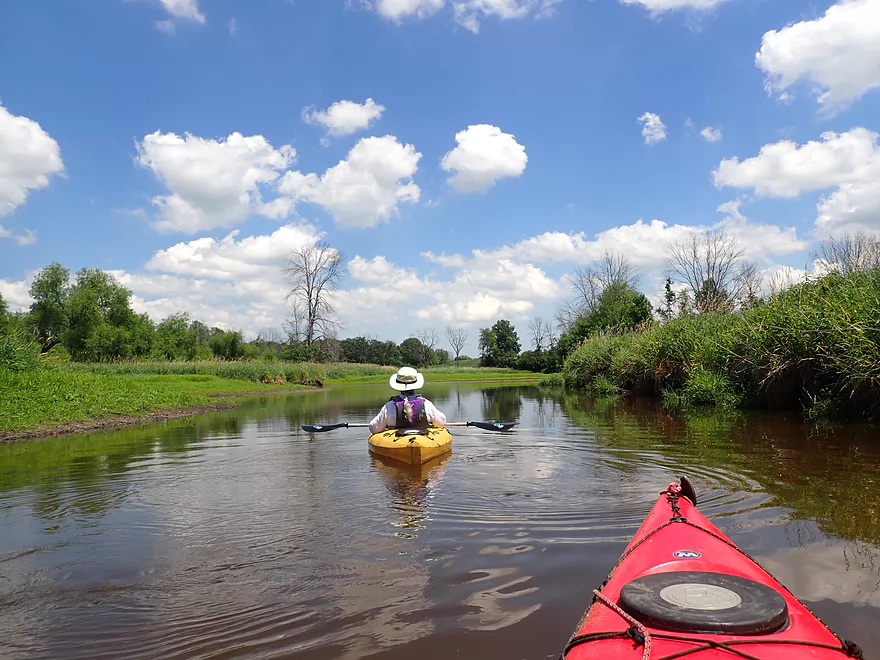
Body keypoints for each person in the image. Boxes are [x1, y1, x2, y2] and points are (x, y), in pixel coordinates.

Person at [369, 366, 447, 434]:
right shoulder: (426, 404)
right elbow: (442, 422)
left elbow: (373, 428)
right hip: (423, 438)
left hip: (397, 443)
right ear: (415, 385)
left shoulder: (389, 406)